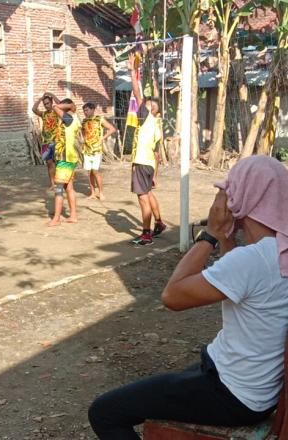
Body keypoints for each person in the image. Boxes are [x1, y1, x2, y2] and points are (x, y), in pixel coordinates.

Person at [88, 155, 288, 440]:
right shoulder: (277, 252)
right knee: (159, 389)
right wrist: (228, 239)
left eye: (227, 193)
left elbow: (172, 296)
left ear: (243, 199)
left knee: (105, 412)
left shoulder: (253, 261)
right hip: (252, 386)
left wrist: (210, 234)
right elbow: (236, 282)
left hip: (233, 394)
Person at [127, 53, 166, 246]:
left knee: (143, 198)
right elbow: (157, 155)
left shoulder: (147, 117)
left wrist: (132, 71)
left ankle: (146, 235)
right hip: (149, 164)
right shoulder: (157, 126)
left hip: (142, 163)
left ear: (152, 109)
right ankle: (159, 223)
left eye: (149, 103)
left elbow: (136, 93)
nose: (145, 103)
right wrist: (155, 175)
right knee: (149, 194)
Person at [47, 98, 82, 227]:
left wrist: (69, 105)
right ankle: (73, 215)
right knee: (69, 188)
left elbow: (56, 107)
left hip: (65, 159)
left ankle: (56, 218)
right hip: (69, 157)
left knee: (58, 189)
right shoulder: (72, 119)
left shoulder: (69, 119)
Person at [81, 102, 116, 200]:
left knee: (95, 171)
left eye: (87, 110)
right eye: (84, 111)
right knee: (89, 172)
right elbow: (83, 131)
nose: (85, 112)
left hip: (96, 150)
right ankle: (92, 193)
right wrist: (84, 139)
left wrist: (103, 138)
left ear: (93, 110)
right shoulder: (84, 121)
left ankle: (101, 193)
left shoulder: (99, 119)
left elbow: (112, 129)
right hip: (87, 150)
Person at [32, 92, 60, 188]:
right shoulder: (43, 114)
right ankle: (52, 184)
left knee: (58, 163)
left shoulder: (57, 112)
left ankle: (60, 183)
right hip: (46, 142)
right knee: (49, 163)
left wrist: (51, 94)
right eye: (45, 104)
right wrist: (40, 99)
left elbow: (61, 104)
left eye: (48, 103)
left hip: (57, 141)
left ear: (51, 102)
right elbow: (34, 109)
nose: (46, 105)